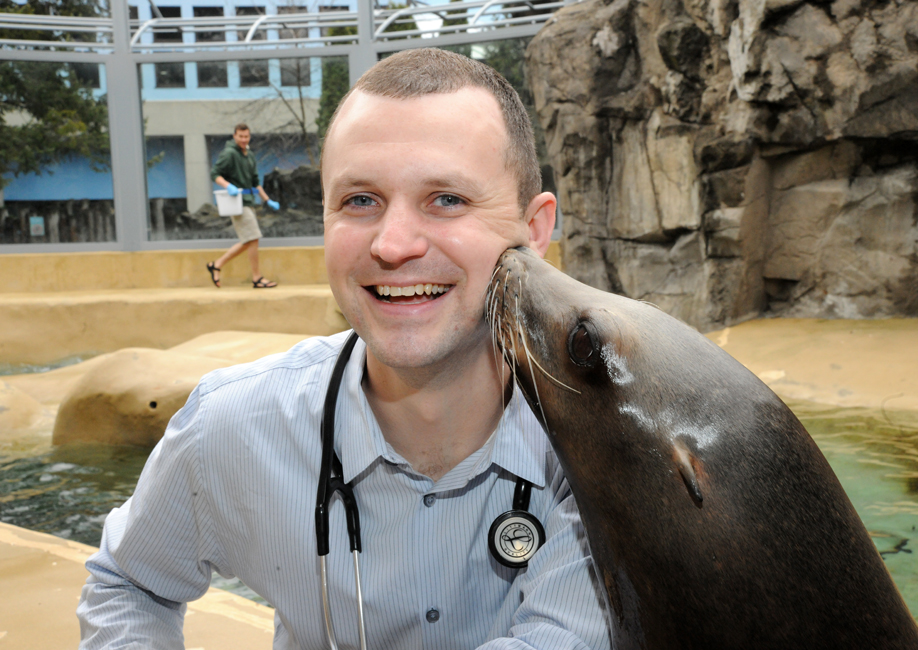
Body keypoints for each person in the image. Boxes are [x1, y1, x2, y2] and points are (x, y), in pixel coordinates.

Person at [77, 49, 611, 650]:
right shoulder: (230, 428)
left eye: (447, 199)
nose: (393, 244)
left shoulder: (600, 451)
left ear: (534, 231)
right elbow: (130, 583)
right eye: (360, 200)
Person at [206, 123, 280, 289]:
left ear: (249, 137)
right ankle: (257, 278)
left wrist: (267, 200)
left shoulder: (250, 155)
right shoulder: (229, 153)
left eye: (246, 136)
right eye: (240, 136)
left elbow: (255, 182)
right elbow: (214, 174)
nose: (243, 139)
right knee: (252, 238)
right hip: (236, 202)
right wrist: (227, 186)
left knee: (249, 240)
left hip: (249, 201)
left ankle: (216, 265)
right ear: (234, 136)